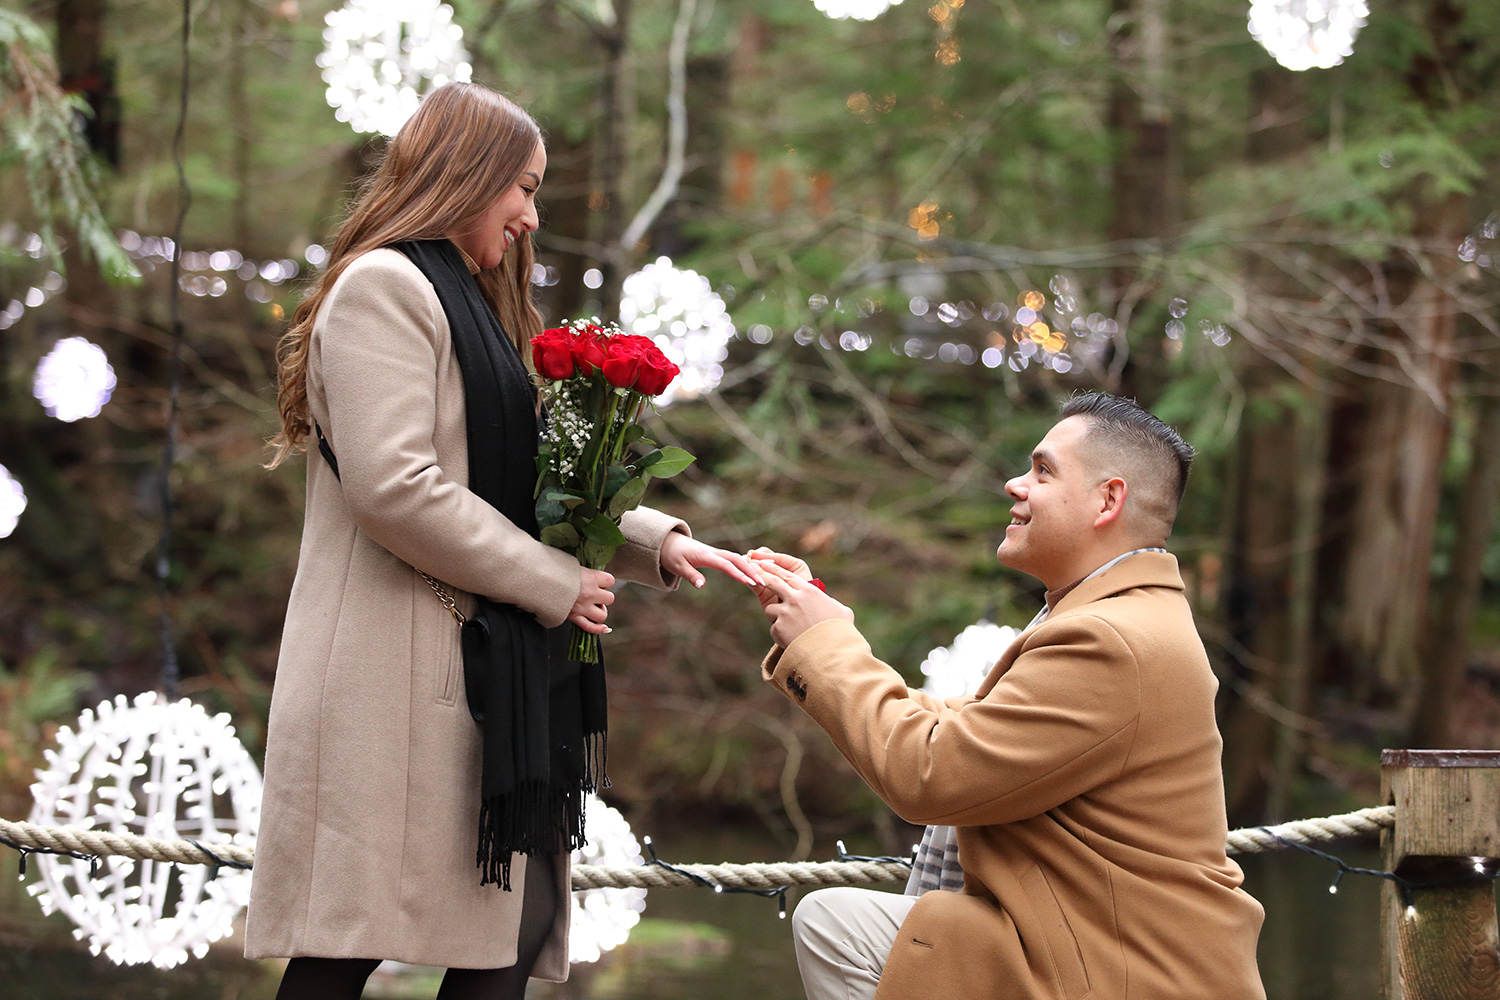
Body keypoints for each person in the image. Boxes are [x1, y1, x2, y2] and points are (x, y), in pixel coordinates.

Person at [246, 82, 761, 1000]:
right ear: (465, 176)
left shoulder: (471, 306)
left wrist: (653, 542)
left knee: (510, 940)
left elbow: (519, 471)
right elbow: (396, 487)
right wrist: (555, 584)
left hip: (473, 674)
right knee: (347, 948)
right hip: (387, 675)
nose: (530, 216)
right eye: (522, 188)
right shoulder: (386, 288)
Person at [751, 392, 1265, 1000]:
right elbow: (971, 730)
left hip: (1125, 975)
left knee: (835, 927)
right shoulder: (1121, 616)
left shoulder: (1109, 638)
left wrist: (826, 644)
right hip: (1093, 950)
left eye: (1043, 471)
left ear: (1109, 499)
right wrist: (826, 633)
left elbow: (931, 772)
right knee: (839, 924)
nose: (1014, 485)